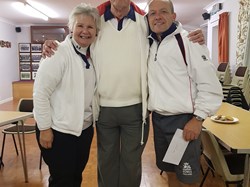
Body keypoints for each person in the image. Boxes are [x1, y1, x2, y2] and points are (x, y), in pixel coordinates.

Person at [41, 1, 205, 187]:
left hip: (136, 109)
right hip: (104, 109)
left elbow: (166, 28)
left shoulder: (143, 22)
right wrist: (53, 44)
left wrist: (192, 35)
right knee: (106, 161)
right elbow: (78, 40)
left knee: (131, 162)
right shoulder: (98, 21)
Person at [147, 0, 223, 186]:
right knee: (170, 172)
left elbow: (210, 86)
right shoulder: (149, 44)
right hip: (158, 121)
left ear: (173, 16)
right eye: (152, 13)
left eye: (163, 12)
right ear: (147, 18)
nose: (157, 16)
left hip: (183, 123)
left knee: (188, 179)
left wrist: (198, 119)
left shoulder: (189, 41)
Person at [33, 3, 100, 187]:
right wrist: (45, 128)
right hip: (58, 132)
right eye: (80, 25)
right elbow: (40, 94)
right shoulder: (57, 53)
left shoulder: (93, 54)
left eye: (90, 26)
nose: (85, 31)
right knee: (62, 181)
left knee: (75, 177)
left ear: (96, 31)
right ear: (71, 27)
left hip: (84, 130)